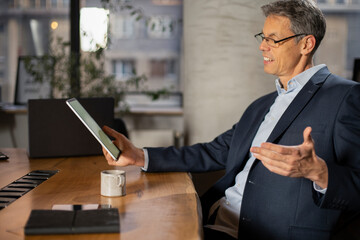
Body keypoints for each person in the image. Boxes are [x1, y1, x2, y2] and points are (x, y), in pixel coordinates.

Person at [102, 0, 360, 239]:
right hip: (213, 219)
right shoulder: (262, 105)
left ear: (306, 44)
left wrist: (319, 172)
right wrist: (140, 156)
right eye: (263, 37)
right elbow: (216, 151)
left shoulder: (345, 96)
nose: (262, 45)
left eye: (273, 39)